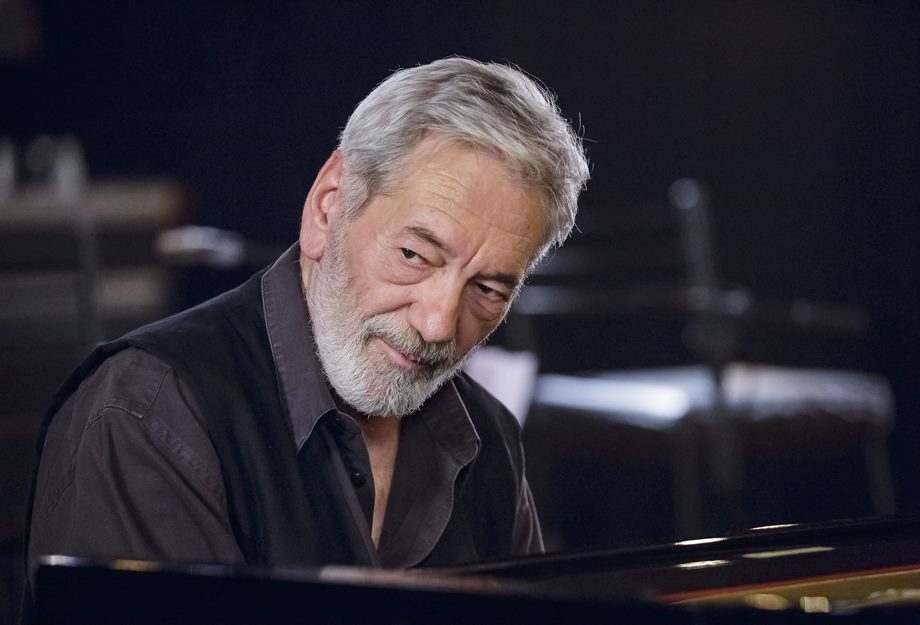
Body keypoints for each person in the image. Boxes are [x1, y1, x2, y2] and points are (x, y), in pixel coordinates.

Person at [27, 57, 589, 573]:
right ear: (327, 207)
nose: (438, 324)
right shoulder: (146, 414)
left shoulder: (490, 438)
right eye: (414, 255)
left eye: (487, 289)